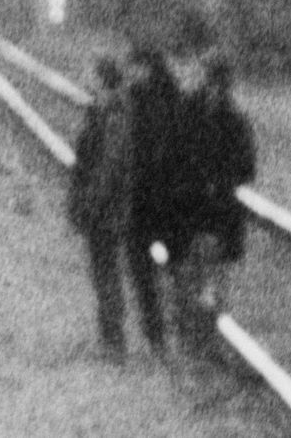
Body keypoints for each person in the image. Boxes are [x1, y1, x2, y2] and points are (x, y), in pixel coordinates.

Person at [168, 54, 256, 358]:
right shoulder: (193, 111)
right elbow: (174, 153)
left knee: (209, 282)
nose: (207, 83)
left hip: (215, 214)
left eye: (208, 76)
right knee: (191, 278)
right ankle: (194, 341)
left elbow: (246, 167)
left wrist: (217, 180)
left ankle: (206, 343)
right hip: (194, 210)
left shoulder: (231, 119)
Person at [68, 57, 133, 363]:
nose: (85, 76)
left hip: (107, 208)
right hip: (101, 205)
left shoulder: (114, 115)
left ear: (102, 79)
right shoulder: (101, 110)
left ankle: (114, 342)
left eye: (91, 73)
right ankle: (108, 338)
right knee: (101, 271)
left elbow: (109, 166)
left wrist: (90, 204)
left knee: (106, 272)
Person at [126, 46, 181, 355]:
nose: (131, 73)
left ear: (146, 68)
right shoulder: (174, 98)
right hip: (167, 201)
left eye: (135, 67)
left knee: (143, 271)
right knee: (167, 269)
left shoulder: (140, 101)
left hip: (145, 200)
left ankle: (156, 336)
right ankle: (169, 334)